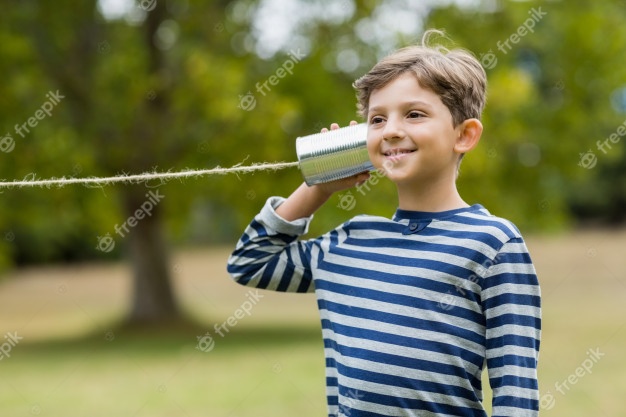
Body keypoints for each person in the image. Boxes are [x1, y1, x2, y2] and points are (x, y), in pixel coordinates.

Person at [227, 30, 541, 417]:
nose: (391, 129)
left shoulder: (493, 243)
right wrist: (318, 186)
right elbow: (249, 263)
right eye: (377, 119)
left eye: (414, 114)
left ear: (464, 135)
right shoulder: (350, 242)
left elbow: (517, 392)